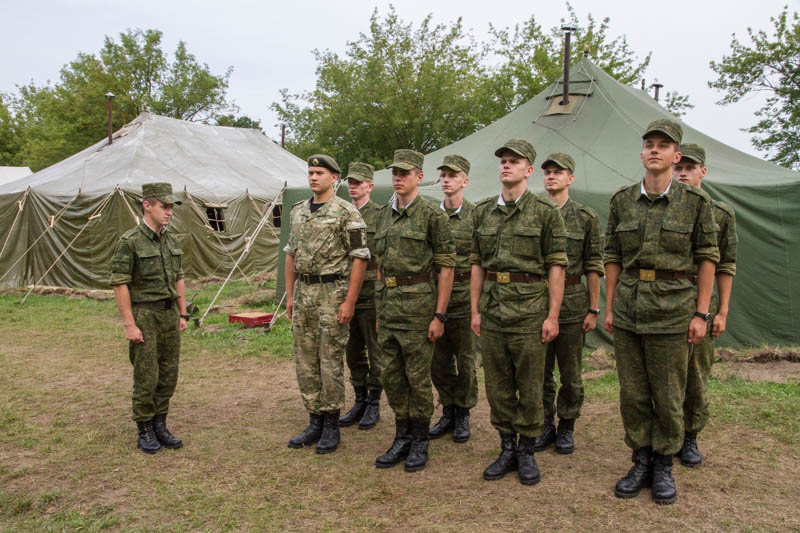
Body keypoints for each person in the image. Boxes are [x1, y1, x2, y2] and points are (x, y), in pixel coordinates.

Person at [604, 120, 719, 505]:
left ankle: (664, 463)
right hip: (629, 309)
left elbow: (707, 259)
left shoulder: (696, 203)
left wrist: (701, 314)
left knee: (669, 394)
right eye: (649, 144)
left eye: (663, 145)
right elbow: (612, 257)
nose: (655, 150)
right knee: (633, 393)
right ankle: (640, 459)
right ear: (642, 153)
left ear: (676, 156)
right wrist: (609, 305)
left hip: (673, 309)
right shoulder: (621, 200)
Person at [470, 139, 568, 485]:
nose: (506, 166)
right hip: (494, 310)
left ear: (529, 170)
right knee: (497, 383)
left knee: (529, 383)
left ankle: (526, 448)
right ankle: (506, 446)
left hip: (529, 310)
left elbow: (557, 266)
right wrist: (476, 311)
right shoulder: (482, 212)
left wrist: (553, 315)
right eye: (503, 161)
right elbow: (478, 264)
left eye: (515, 161)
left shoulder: (545, 212)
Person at [373, 149, 455, 473]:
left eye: (405, 173)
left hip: (419, 311)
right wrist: (380, 309)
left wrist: (440, 315)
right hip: (389, 307)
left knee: (417, 378)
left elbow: (446, 268)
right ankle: (401, 436)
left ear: (419, 177)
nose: (398, 177)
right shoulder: (382, 214)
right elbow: (380, 266)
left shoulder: (433, 217)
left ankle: (420, 439)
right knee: (391, 376)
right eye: (395, 172)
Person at [284, 154, 369, 454]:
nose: (313, 177)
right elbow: (290, 253)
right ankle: (314, 419)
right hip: (305, 292)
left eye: (320, 172)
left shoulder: (347, 213)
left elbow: (360, 258)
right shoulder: (297, 212)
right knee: (305, 359)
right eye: (310, 172)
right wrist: (290, 297)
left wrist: (350, 301)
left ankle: (331, 422)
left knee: (330, 358)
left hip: (332, 292)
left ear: (335, 178)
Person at [110, 182, 189, 454]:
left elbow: (179, 277)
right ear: (148, 205)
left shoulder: (171, 239)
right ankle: (144, 428)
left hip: (169, 314)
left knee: (168, 374)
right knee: (147, 375)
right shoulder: (130, 241)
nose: (169, 212)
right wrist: (129, 324)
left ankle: (160, 424)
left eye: (171, 207)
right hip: (145, 314)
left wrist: (182, 312)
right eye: (164, 206)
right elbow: (120, 284)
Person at [534, 153, 604, 455]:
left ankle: (567, 425)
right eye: (547, 172)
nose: (551, 176)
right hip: (537, 302)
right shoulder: (532, 213)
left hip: (573, 305)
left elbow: (593, 264)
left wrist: (593, 308)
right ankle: (545, 424)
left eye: (558, 172)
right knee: (540, 371)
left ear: (570, 178)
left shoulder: (585, 217)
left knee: (571, 373)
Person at [673, 143, 737, 468]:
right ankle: (667, 432)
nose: (682, 173)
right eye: (678, 167)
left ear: (703, 171)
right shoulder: (661, 208)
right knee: (667, 374)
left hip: (703, 303)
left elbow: (726, 266)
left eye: (689, 168)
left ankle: (690, 435)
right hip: (669, 301)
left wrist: (721, 311)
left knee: (696, 372)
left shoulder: (721, 214)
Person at [429, 155, 478, 444]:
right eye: (443, 175)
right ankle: (447, 409)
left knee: (467, 360)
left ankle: (463, 413)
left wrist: (477, 304)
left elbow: (480, 262)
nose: (446, 180)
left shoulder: (475, 216)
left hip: (463, 297)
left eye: (453, 175)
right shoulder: (431, 215)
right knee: (438, 361)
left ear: (464, 180)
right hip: (434, 298)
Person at [339, 162, 383, 430]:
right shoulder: (341, 213)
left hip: (372, 293)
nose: (353, 186)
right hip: (344, 291)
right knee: (352, 350)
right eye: (350, 182)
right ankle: (359, 399)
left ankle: (374, 402)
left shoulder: (380, 215)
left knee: (376, 351)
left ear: (370, 185)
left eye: (358, 182)